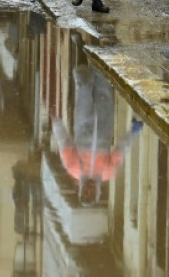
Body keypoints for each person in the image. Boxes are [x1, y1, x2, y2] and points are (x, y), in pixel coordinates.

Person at [50, 41, 141, 206]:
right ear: (98, 193)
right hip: (105, 125)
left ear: (81, 190)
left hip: (83, 124)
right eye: (91, 194)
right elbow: (121, 149)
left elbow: (65, 143)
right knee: (104, 88)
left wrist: (57, 123)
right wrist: (133, 132)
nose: (89, 190)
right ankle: (103, 49)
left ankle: (81, 52)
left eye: (85, 192)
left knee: (84, 87)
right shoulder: (108, 172)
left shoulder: (73, 169)